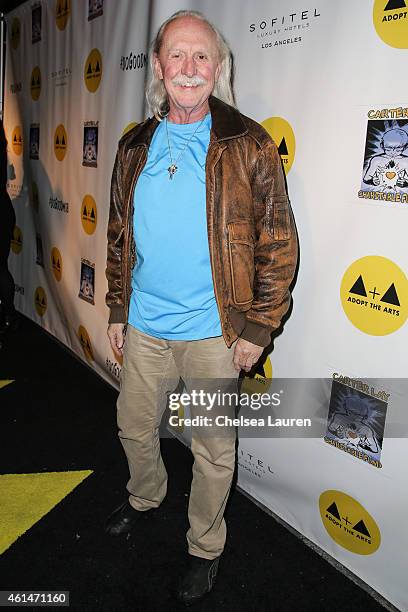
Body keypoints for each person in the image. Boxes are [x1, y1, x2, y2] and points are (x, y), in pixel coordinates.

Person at [105, 10, 298, 605]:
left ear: (218, 68)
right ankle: (146, 496)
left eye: (202, 57)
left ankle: (203, 546)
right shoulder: (133, 145)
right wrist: (117, 308)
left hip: (216, 332)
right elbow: (118, 235)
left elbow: (277, 243)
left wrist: (259, 327)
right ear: (159, 68)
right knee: (134, 428)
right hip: (144, 326)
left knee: (213, 451)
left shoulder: (249, 143)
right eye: (177, 57)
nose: (189, 69)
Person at [0, 120, 17, 337]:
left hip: (2, 212)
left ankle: (9, 316)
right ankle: (9, 316)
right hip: (4, 210)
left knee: (1, 268)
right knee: (1, 267)